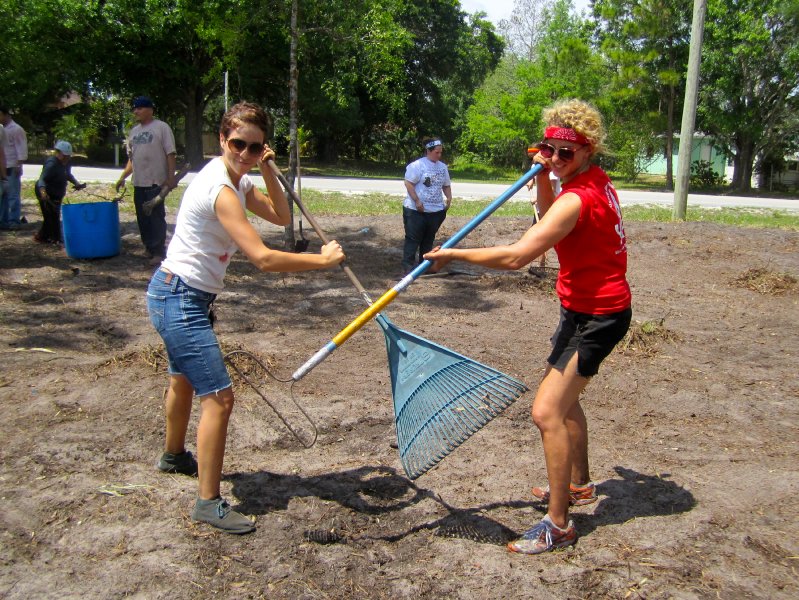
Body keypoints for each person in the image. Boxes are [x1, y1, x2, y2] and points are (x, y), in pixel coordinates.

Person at [425, 99, 631, 555]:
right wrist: (543, 177)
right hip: (581, 309)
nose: (555, 159)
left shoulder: (581, 196)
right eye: (548, 150)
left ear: (588, 149)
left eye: (566, 152)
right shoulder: (588, 181)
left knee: (547, 412)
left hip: (600, 316)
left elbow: (520, 256)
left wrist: (453, 254)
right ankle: (578, 486)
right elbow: (548, 212)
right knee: (564, 401)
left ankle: (559, 524)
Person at [146, 101, 345, 535]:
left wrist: (270, 170)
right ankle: (207, 503)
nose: (245, 153)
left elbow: (281, 215)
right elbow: (263, 259)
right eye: (238, 144)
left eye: (255, 148)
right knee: (219, 397)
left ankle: (174, 454)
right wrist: (321, 262)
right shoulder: (219, 188)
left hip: (185, 297)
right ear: (222, 139)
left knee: (182, 378)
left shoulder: (240, 179)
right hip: (178, 296)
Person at [116, 96, 177, 265]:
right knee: (142, 218)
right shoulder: (134, 132)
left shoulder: (161, 127)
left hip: (156, 182)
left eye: (140, 108)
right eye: (135, 108)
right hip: (139, 182)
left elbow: (170, 154)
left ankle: (158, 252)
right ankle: (149, 248)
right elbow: (132, 159)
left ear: (150, 109)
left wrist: (171, 177)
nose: (136, 111)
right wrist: (122, 177)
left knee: (155, 218)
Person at [401, 137, 452, 275]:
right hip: (415, 210)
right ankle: (408, 267)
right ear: (428, 151)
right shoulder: (417, 166)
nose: (439, 155)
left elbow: (446, 185)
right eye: (437, 152)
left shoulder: (442, 167)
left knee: (428, 239)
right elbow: (409, 183)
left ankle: (424, 266)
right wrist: (417, 201)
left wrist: (449, 197)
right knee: (413, 239)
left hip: (435, 211)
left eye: (441, 152)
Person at [34, 141, 86, 244]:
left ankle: (46, 237)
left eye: (68, 156)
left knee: (54, 215)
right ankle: (53, 238)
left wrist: (76, 183)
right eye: (65, 156)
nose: (67, 158)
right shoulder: (52, 164)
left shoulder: (66, 163)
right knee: (50, 215)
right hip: (46, 192)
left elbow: (68, 174)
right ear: (58, 153)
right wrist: (43, 192)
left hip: (57, 192)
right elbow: (42, 179)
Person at [0, 107, 28, 229]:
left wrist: (19, 164)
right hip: (3, 167)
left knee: (13, 195)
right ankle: (4, 220)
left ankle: (14, 220)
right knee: (3, 195)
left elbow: (21, 147)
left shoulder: (16, 129)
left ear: (6, 115)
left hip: (12, 165)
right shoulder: (2, 129)